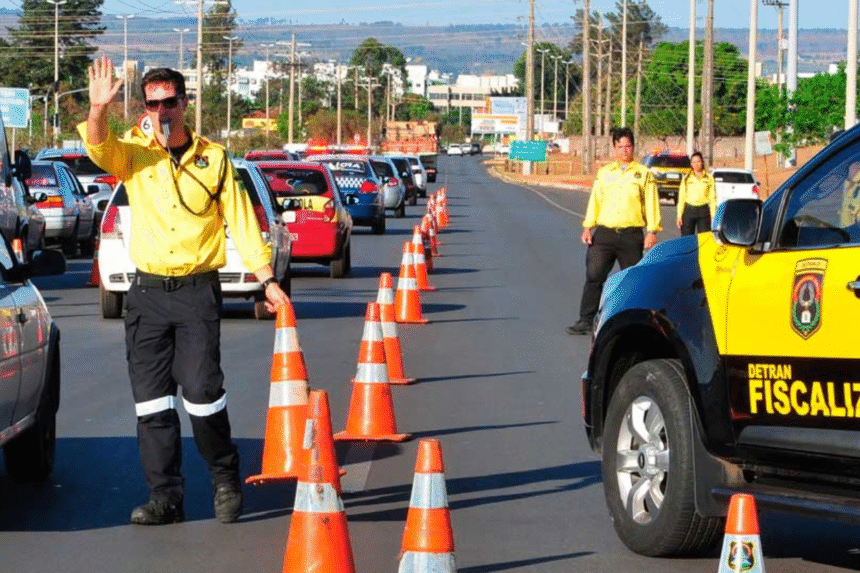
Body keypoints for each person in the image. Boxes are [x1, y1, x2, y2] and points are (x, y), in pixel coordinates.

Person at [78, 56, 290, 525]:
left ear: (184, 102)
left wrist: (266, 279)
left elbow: (240, 221)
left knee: (202, 394)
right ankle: (165, 498)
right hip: (147, 295)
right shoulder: (134, 153)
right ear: (144, 108)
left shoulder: (213, 159)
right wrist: (97, 111)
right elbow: (98, 149)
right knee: (152, 402)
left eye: (169, 102)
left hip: (196, 294)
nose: (161, 111)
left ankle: (224, 477)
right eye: (152, 104)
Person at [567, 127, 661, 335]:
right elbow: (595, 201)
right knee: (594, 276)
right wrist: (587, 227)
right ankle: (585, 319)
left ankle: (634, 323)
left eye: (628, 146)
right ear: (614, 148)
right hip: (605, 234)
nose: (624, 150)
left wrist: (652, 231)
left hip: (631, 235)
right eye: (620, 146)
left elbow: (652, 204)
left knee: (632, 280)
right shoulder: (604, 173)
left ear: (633, 147)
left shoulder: (643, 174)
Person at [676, 151, 716, 236]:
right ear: (691, 164)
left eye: (698, 161)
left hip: (703, 210)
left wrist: (713, 215)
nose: (696, 164)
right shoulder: (686, 178)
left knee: (704, 239)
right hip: (689, 210)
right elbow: (681, 197)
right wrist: (679, 215)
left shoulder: (709, 178)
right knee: (686, 239)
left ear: (702, 162)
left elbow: (712, 198)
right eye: (694, 162)